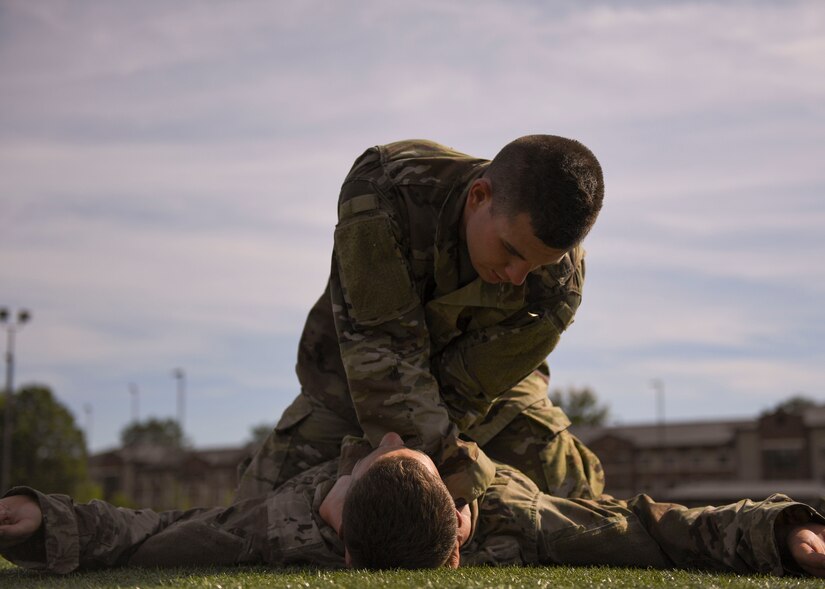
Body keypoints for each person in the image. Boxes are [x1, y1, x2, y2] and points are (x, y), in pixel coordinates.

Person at [237, 136, 606, 506]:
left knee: (574, 504)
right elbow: (383, 356)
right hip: (353, 383)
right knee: (258, 514)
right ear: (479, 197)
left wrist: (455, 490)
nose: (516, 276)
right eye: (510, 251)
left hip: (489, 401)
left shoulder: (560, 285)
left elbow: (466, 391)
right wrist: (448, 486)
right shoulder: (386, 189)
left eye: (537, 264)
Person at [3, 433, 825, 577]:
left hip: (464, 428)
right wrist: (781, 533)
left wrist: (780, 527)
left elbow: (648, 521)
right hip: (335, 420)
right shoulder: (286, 510)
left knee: (569, 465)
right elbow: (654, 532)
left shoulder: (503, 505)